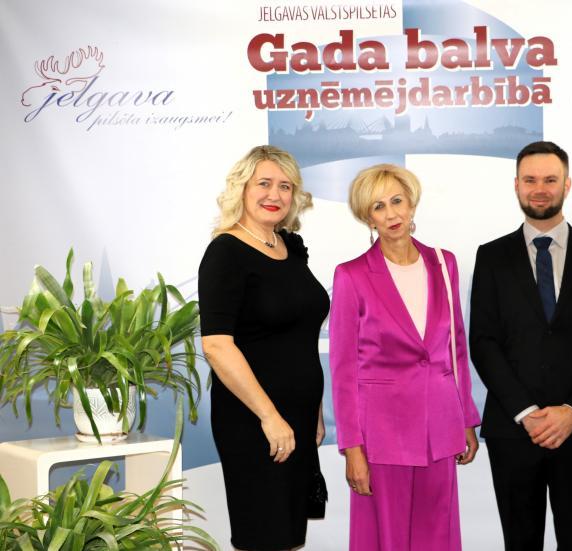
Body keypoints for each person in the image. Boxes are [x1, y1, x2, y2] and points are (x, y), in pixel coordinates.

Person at [469, 141, 572, 551]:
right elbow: (483, 342)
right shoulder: (491, 256)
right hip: (513, 428)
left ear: (567, 185)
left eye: (550, 180)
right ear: (516, 185)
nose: (540, 189)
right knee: (520, 542)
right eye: (531, 180)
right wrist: (527, 413)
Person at [329, 163, 481, 551]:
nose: (391, 214)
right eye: (378, 206)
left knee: (438, 539)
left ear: (412, 203)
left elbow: (456, 348)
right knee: (386, 540)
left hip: (440, 428)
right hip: (381, 437)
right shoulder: (351, 275)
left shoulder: (444, 263)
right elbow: (343, 371)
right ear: (368, 217)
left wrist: (466, 419)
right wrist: (352, 448)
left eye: (397, 201)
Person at [198, 145, 329, 551]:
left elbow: (300, 337)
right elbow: (216, 345)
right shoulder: (226, 252)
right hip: (254, 419)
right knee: (264, 535)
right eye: (264, 184)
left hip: (298, 418)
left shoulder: (290, 247)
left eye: (285, 186)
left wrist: (315, 411)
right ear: (242, 188)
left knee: (287, 535)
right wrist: (270, 417)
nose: (275, 194)